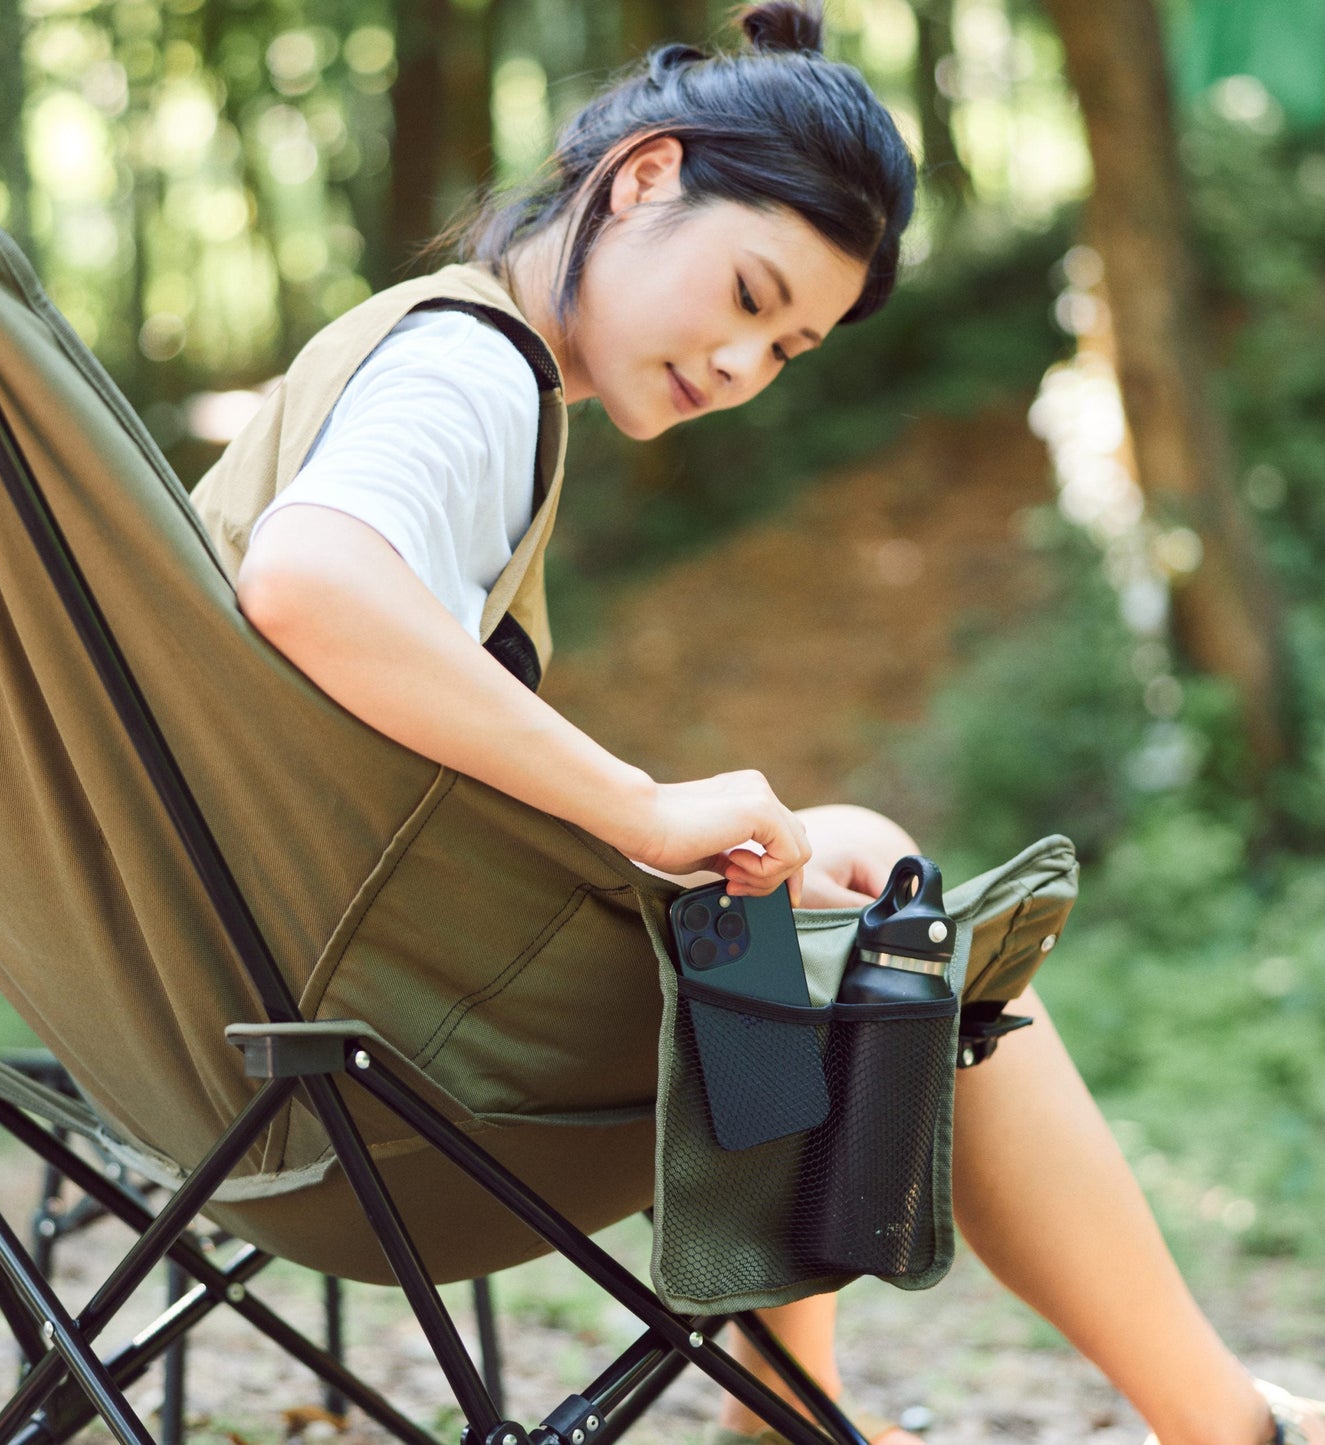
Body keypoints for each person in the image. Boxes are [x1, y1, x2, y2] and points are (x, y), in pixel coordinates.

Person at [213, 3, 1324, 1442]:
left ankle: (790, 1406)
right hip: (359, 1053)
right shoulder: (467, 367)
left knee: (832, 863)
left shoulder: (423, 357)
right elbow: (308, 579)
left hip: (258, 1005)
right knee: (885, 905)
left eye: (786, 348)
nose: (743, 367)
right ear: (643, 178)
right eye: (746, 294)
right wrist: (637, 807)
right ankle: (1215, 1424)